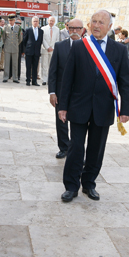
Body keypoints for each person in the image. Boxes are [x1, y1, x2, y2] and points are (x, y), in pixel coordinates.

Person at [58, 10, 129, 202]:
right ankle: (71, 186)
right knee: (75, 148)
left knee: (96, 149)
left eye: (101, 22)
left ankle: (89, 184)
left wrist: (126, 110)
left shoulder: (119, 50)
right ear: (89, 25)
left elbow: (125, 82)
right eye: (94, 22)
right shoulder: (80, 47)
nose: (97, 25)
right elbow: (67, 80)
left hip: (103, 108)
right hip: (79, 106)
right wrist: (62, 106)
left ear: (109, 27)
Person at [48, 18, 85, 159]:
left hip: (80, 93)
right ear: (67, 29)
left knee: (79, 123)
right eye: (71, 28)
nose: (74, 31)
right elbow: (53, 71)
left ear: (82, 30)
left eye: (77, 28)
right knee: (61, 121)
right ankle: (63, 147)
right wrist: (52, 92)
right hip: (61, 91)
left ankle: (77, 151)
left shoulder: (88, 47)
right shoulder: (60, 46)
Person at [22, 16, 43, 86]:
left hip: (36, 52)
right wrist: (27, 49)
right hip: (29, 51)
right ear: (32, 22)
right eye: (34, 21)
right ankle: (28, 80)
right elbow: (24, 41)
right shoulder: (28, 30)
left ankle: (34, 81)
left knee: (35, 67)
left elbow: (40, 41)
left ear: (38, 22)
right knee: (28, 67)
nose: (35, 22)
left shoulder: (41, 31)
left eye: (36, 21)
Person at [2, 15, 22, 83]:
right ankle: (5, 77)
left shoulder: (18, 28)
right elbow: (3, 38)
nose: (10, 22)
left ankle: (15, 78)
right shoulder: (5, 27)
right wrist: (7, 44)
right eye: (9, 20)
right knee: (6, 63)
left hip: (15, 47)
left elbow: (20, 38)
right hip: (7, 47)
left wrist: (16, 44)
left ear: (14, 20)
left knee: (15, 63)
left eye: (12, 20)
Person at [40, 16, 59, 86]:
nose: (51, 22)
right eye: (50, 21)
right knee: (44, 65)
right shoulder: (43, 29)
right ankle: (44, 79)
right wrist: (47, 47)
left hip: (53, 50)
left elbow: (57, 40)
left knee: (52, 65)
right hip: (45, 49)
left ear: (54, 22)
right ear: (48, 21)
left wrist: (53, 48)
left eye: (53, 21)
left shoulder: (57, 29)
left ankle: (50, 79)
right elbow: (42, 39)